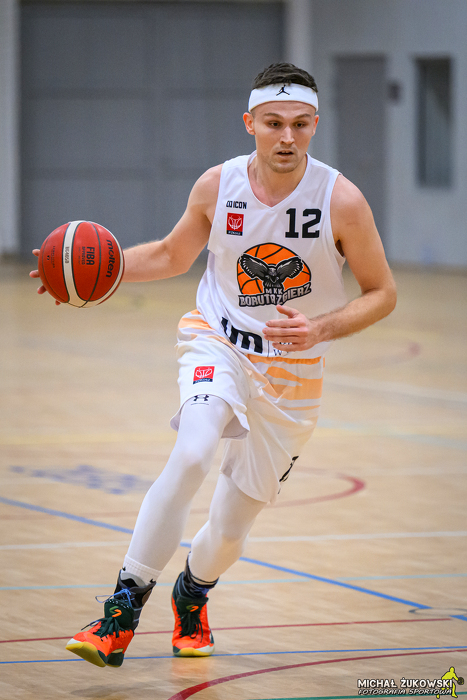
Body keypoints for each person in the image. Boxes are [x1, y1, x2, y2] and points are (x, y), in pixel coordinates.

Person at [30, 62, 397, 668]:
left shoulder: (342, 200)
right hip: (217, 341)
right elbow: (172, 255)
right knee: (193, 450)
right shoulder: (216, 185)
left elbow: (382, 292)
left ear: (315, 125)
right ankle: (120, 612)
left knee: (228, 530)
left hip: (293, 373)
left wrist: (321, 328)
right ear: (250, 123)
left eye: (300, 124)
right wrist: (84, 272)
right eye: (273, 123)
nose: (287, 136)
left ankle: (193, 592)